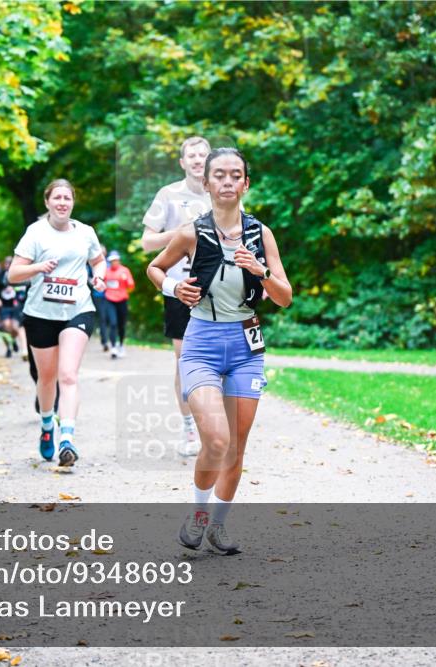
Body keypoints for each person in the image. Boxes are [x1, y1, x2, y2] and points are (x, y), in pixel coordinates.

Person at [146, 148, 291, 555]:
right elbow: (155, 267)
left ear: (246, 183)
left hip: (246, 347)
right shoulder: (192, 232)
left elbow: (284, 297)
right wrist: (174, 288)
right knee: (215, 439)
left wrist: (259, 270)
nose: (227, 182)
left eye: (235, 175)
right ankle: (197, 512)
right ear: (207, 183)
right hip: (203, 346)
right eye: (220, 176)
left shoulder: (260, 234)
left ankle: (219, 526)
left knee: (236, 447)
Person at [8, 179, 107, 467]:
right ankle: (47, 424)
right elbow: (13, 274)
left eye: (67, 198)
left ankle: (67, 438)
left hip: (78, 309)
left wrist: (99, 275)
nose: (62, 202)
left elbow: (98, 261)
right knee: (46, 378)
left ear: (73, 202)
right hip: (40, 314)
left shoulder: (85, 233)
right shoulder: (35, 233)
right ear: (47, 202)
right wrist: (39, 267)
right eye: (57, 198)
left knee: (68, 375)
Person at [140, 136, 212, 455]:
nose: (197, 160)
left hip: (219, 289)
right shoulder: (168, 195)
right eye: (191, 156)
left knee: (217, 360)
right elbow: (147, 243)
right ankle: (189, 431)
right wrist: (183, 232)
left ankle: (213, 425)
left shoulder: (222, 191)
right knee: (185, 361)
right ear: (182, 163)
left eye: (202, 155)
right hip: (180, 288)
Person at [102, 250, 135, 359]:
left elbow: (131, 286)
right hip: (109, 300)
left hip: (122, 300)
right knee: (113, 323)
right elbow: (102, 284)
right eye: (111, 261)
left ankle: (120, 344)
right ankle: (113, 347)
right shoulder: (106, 271)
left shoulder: (125, 271)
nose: (113, 263)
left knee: (121, 325)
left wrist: (126, 281)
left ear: (119, 260)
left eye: (115, 260)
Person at [89, 245, 114, 353]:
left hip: (111, 296)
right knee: (102, 318)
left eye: (103, 253)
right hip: (98, 295)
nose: (102, 254)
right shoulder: (92, 265)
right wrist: (96, 281)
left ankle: (112, 340)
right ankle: (105, 342)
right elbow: (87, 277)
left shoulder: (110, 265)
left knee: (111, 320)